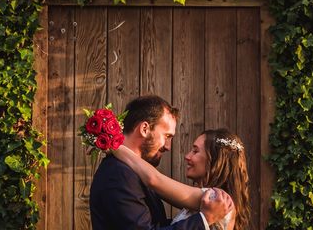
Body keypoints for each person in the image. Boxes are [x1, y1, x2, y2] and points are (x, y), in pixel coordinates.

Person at [90, 95, 234, 230]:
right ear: (144, 129)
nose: (168, 146)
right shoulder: (118, 174)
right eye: (167, 136)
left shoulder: (134, 172)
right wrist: (203, 219)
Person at [113, 128, 251, 230]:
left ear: (215, 160)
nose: (187, 156)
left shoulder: (216, 198)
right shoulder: (206, 200)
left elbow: (154, 180)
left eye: (195, 151)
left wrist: (113, 145)